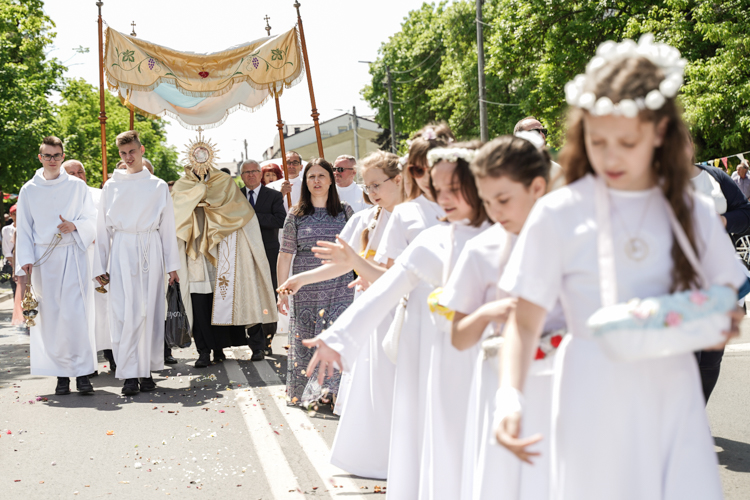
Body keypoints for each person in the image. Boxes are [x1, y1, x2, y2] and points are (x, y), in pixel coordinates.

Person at [494, 36, 745, 499]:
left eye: (626, 142)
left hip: (672, 393)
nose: (610, 157)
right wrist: (510, 395)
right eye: (597, 140)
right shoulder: (557, 212)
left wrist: (703, 319)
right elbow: (523, 322)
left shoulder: (692, 212)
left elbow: (729, 308)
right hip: (589, 389)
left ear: (660, 134)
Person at [304, 141, 490, 499]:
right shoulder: (431, 240)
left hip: (486, 352)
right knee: (441, 434)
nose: (442, 197)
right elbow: (385, 289)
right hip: (438, 350)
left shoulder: (504, 234)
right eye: (436, 188)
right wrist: (338, 337)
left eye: (453, 189)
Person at [441, 136, 563, 500]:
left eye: (504, 200)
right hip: (502, 381)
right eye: (487, 201)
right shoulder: (480, 250)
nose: (495, 211)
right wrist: (487, 313)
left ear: (538, 187)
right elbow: (459, 337)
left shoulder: (572, 239)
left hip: (567, 381)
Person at [277, 150, 404, 478]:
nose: (372, 192)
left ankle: (400, 455)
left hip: (396, 312)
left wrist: (358, 266)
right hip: (372, 307)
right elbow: (342, 263)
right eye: (368, 185)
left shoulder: (408, 218)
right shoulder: (366, 218)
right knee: (371, 386)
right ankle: (374, 457)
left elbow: (390, 275)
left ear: (400, 180)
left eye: (378, 184)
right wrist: (300, 278)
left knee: (395, 387)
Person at [171, 150, 277, 369]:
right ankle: (205, 350)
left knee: (241, 293)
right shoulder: (183, 186)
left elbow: (240, 213)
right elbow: (176, 215)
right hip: (197, 251)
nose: (200, 167)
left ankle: (257, 345)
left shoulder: (224, 182)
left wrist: (211, 203)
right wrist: (197, 195)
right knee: (202, 304)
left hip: (226, 247)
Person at [93, 131, 180, 395]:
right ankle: (130, 374)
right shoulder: (111, 186)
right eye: (122, 153)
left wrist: (172, 266)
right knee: (123, 312)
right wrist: (100, 266)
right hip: (121, 249)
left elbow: (167, 228)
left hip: (150, 249)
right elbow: (101, 229)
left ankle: (146, 370)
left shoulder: (158, 185)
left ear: (141, 150)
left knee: (149, 310)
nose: (128, 157)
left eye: (132, 151)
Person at [15, 136, 97, 395]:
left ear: (63, 156)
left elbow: (91, 218)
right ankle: (61, 374)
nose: (52, 160)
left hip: (73, 254)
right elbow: (25, 228)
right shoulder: (29, 189)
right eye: (48, 156)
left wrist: (75, 225)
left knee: (76, 315)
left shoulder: (77, 186)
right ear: (40, 158)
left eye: (57, 155)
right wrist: (25, 260)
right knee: (51, 318)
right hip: (43, 261)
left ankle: (83, 373)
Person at [277, 158, 355, 406]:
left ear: (331, 180)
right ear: (305, 182)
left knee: (335, 336)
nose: (317, 181)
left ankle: (332, 391)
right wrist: (282, 291)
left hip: (339, 287)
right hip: (305, 290)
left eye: (321, 175)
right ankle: (307, 393)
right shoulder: (296, 214)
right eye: (311, 177)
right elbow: (285, 254)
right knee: (307, 340)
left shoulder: (345, 212)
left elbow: (355, 253)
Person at [686, 138, 750, 404]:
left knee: (712, 358)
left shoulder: (714, 175)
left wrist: (723, 220)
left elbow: (746, 215)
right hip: (678, 284)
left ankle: (696, 415)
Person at [62, 159, 116, 372]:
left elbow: (108, 222)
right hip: (73, 261)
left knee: (105, 311)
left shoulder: (99, 194)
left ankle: (113, 357)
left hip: (100, 259)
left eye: (80, 172)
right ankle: (87, 363)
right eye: (72, 173)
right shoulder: (59, 197)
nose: (77, 176)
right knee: (82, 314)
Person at [239, 159, 286, 360]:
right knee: (250, 298)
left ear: (260, 174)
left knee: (267, 296)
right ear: (241, 176)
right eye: (246, 172)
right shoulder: (235, 197)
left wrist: (252, 217)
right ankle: (256, 345)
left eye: (254, 171)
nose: (250, 175)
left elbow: (280, 220)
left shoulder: (274, 196)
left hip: (268, 255)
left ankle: (268, 339)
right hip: (243, 255)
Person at [513, 116, 565, 190]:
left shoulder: (557, 170)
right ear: (519, 137)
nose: (542, 135)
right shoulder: (509, 170)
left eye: (543, 131)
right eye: (536, 131)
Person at [2, 205, 17, 296]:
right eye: (14, 214)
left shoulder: (29, 228)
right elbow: (6, 250)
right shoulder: (6, 229)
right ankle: (18, 310)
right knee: (15, 290)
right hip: (12, 264)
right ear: (11, 215)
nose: (17, 216)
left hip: (27, 264)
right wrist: (15, 263)